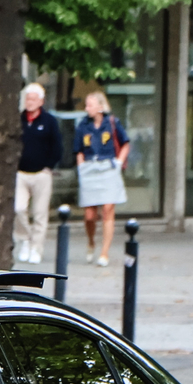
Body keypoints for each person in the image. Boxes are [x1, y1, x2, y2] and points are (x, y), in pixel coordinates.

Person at [71, 90, 129, 266]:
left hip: (108, 167)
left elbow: (125, 142)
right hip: (90, 167)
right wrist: (81, 166)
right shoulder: (83, 125)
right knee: (90, 215)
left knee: (108, 209)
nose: (87, 108)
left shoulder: (112, 123)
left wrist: (119, 162)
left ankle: (104, 252)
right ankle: (91, 242)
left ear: (100, 107)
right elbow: (78, 149)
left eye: (90, 104)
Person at [15, 83, 62, 265]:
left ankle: (37, 248)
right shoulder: (18, 119)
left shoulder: (49, 121)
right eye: (27, 98)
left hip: (41, 173)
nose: (30, 102)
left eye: (33, 99)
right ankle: (25, 239)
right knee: (18, 208)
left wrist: (49, 166)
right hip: (21, 173)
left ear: (41, 101)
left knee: (40, 213)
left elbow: (57, 146)